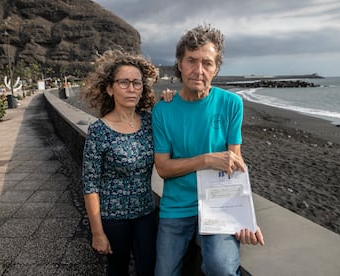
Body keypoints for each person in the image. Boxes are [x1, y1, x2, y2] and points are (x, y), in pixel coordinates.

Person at [152, 24, 265, 276]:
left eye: (207, 63)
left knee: (221, 269)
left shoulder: (231, 103)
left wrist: (245, 217)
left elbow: (235, 161)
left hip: (219, 205)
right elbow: (163, 169)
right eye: (191, 61)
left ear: (216, 68)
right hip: (176, 207)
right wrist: (206, 159)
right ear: (179, 64)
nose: (198, 70)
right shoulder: (162, 110)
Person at [81, 49, 159, 276]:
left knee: (149, 269)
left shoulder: (149, 121)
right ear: (109, 88)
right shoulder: (99, 130)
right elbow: (90, 184)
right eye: (124, 82)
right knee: (117, 271)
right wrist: (97, 233)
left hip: (145, 213)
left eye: (137, 83)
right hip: (112, 219)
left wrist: (168, 100)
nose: (131, 88)